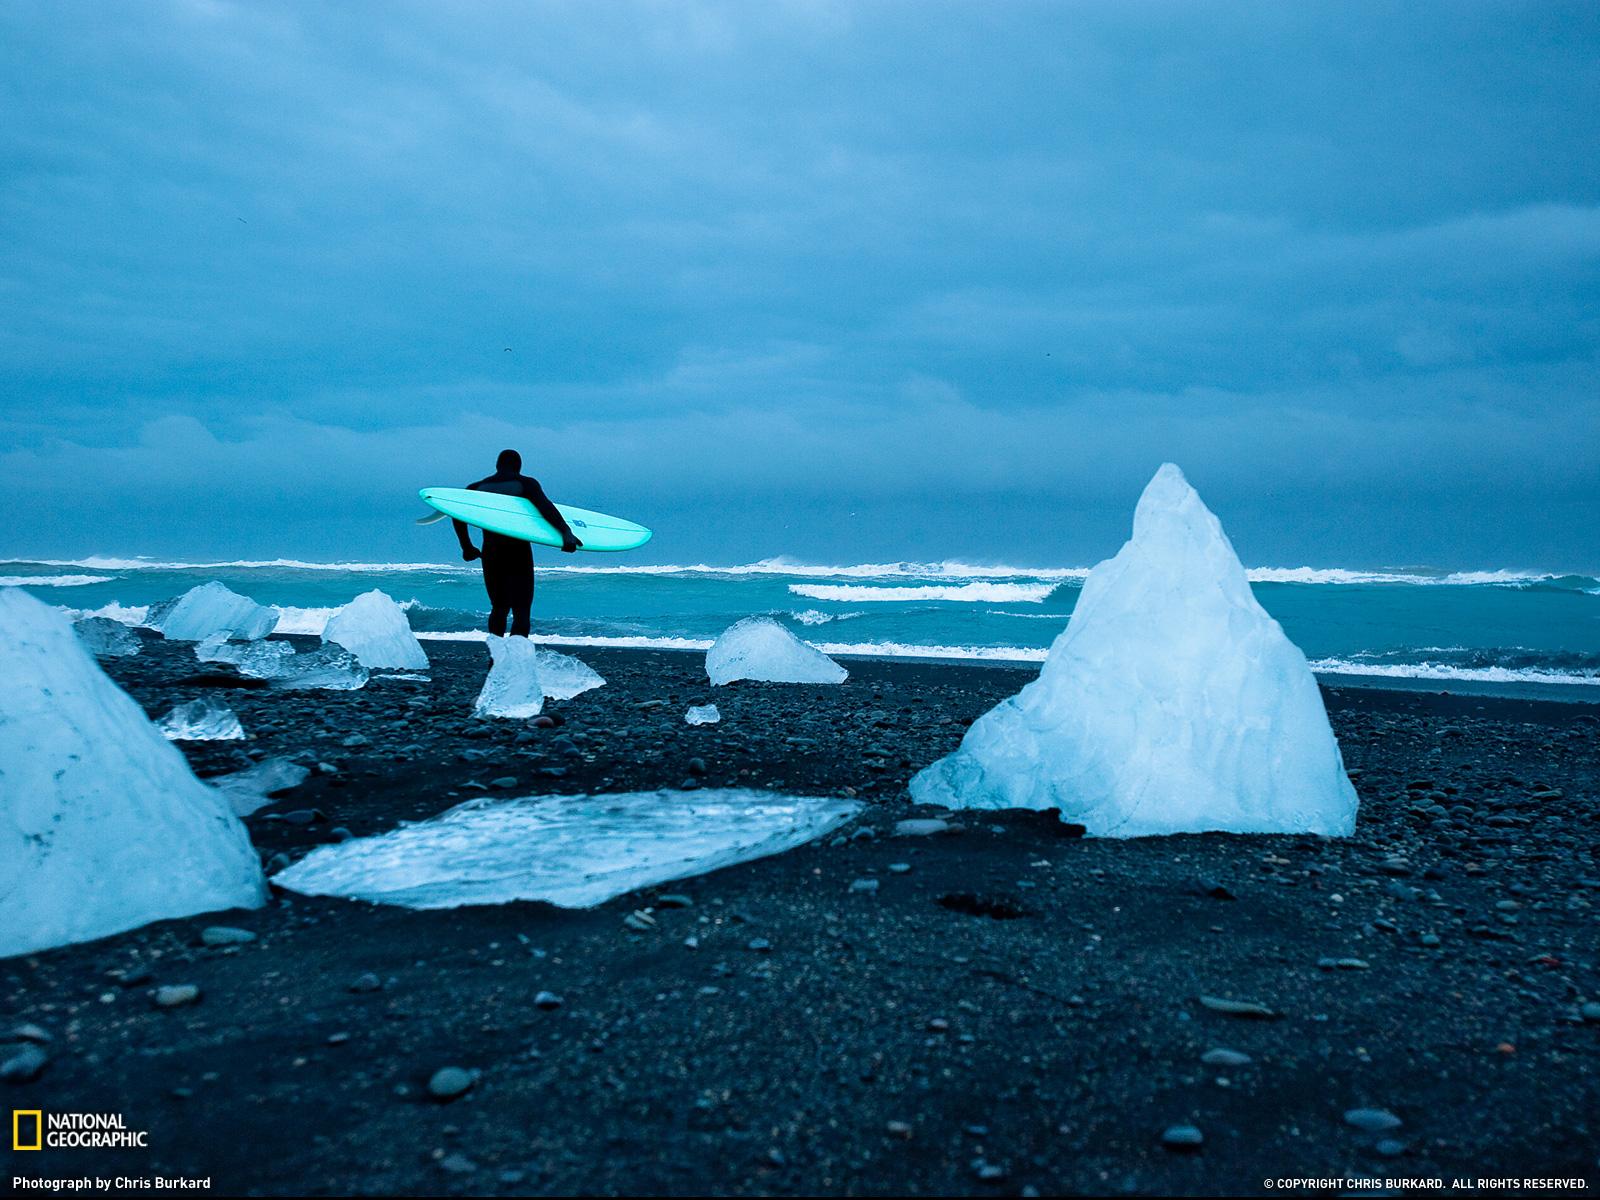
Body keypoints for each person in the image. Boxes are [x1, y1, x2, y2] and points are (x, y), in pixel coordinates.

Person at [452, 449, 581, 637]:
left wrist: (467, 546)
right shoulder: (525, 484)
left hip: (491, 552)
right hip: (517, 552)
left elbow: (457, 515)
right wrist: (566, 532)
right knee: (521, 611)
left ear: (497, 465)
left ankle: (495, 659)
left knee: (499, 607)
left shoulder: (476, 488)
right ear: (519, 467)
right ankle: (517, 660)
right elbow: (546, 508)